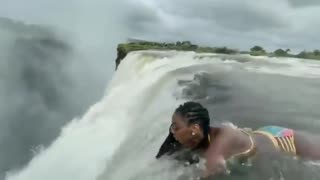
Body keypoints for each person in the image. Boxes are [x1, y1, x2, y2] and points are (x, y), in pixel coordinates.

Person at [155, 101, 320, 178]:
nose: (172, 132)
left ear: (194, 128)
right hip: (259, 133)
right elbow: (164, 156)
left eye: (176, 127)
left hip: (283, 140)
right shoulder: (199, 135)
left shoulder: (221, 140)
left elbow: (216, 165)